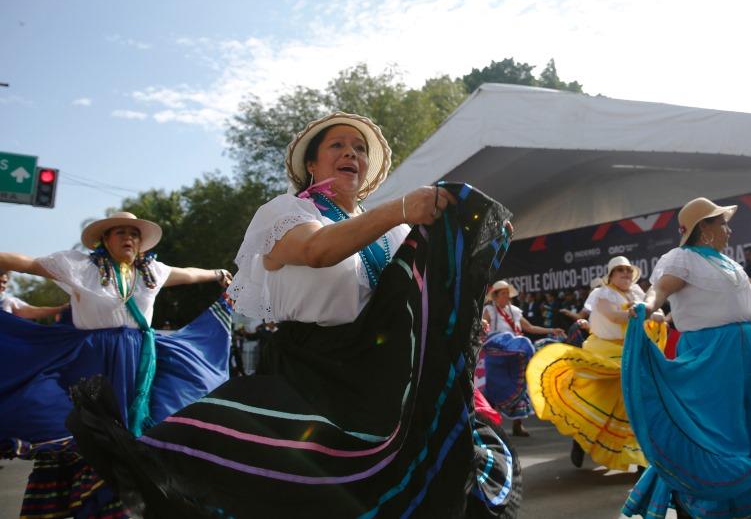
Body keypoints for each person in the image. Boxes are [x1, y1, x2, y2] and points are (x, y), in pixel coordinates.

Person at [66, 111, 520, 518]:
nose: (351, 153)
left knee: (419, 476)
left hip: (384, 375)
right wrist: (402, 208)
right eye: (337, 146)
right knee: (260, 474)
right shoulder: (287, 211)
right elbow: (317, 250)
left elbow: (420, 295)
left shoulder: (397, 231)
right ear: (313, 165)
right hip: (310, 372)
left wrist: (467, 273)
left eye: (360, 148)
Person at [0, 212, 234, 518]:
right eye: (120, 232)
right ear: (104, 240)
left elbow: (187, 274)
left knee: (147, 433)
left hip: (140, 365)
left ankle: (133, 506)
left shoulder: (151, 271)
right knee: (87, 437)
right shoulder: (78, 267)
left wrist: (217, 273)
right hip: (92, 367)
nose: (129, 238)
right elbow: (26, 263)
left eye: (134, 234)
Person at [620, 197, 751, 518]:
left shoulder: (728, 262)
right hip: (710, 356)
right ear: (704, 226)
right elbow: (660, 289)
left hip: (745, 355)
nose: (729, 229)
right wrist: (648, 307)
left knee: (747, 428)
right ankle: (702, 506)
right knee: (714, 431)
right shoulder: (681, 258)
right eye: (722, 222)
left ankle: (747, 504)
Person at [528, 256, 666, 471]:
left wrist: (657, 314)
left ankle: (639, 457)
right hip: (605, 349)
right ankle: (581, 439)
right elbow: (614, 316)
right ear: (611, 275)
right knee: (603, 398)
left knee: (636, 398)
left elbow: (653, 311)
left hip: (630, 349)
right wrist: (639, 313)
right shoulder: (602, 293)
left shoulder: (638, 292)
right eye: (620, 270)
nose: (626, 274)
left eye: (628, 270)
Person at [480, 279, 564, 437]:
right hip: (497, 357)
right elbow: (482, 328)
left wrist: (552, 330)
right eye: (503, 294)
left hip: (515, 356)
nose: (506, 297)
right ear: (495, 296)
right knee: (495, 388)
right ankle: (491, 425)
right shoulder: (489, 311)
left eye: (507, 294)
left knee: (520, 386)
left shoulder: (515, 311)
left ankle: (518, 425)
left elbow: (530, 327)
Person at [0, 268, 68, 320]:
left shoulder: (8, 302)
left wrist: (60, 309)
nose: (1, 285)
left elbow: (33, 311)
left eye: (4, 282)